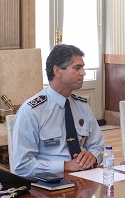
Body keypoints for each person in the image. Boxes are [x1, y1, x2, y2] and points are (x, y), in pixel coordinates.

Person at [11, 44, 105, 178]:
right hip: (50, 183)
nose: (83, 73)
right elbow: (23, 166)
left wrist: (92, 157)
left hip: (86, 178)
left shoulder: (82, 106)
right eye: (77, 68)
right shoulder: (31, 111)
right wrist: (64, 166)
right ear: (57, 71)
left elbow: (98, 146)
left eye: (82, 68)